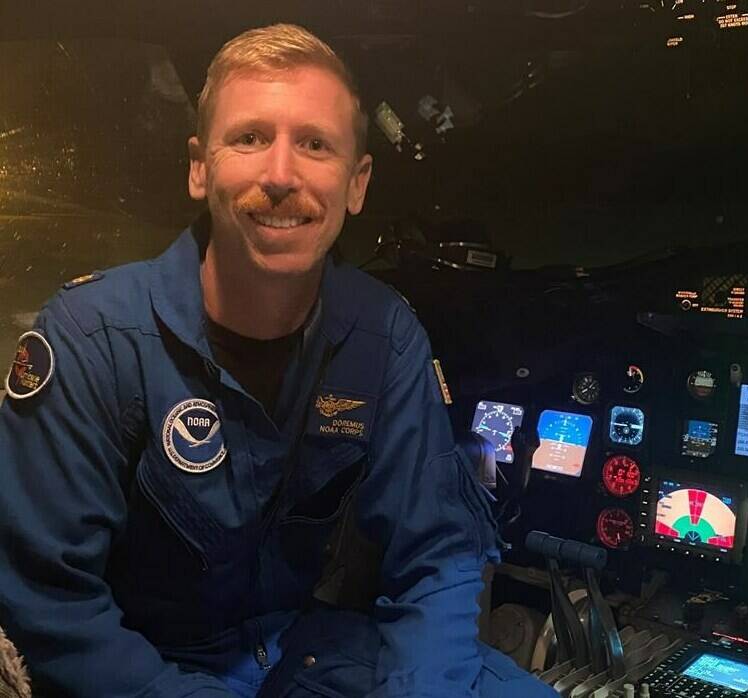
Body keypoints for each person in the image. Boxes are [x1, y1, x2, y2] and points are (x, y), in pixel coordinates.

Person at [0, 24, 555, 698]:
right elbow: (51, 606)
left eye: (315, 145)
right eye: (250, 138)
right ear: (200, 167)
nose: (282, 175)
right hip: (147, 666)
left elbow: (436, 555)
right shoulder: (93, 338)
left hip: (306, 649)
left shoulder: (384, 334)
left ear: (357, 183)